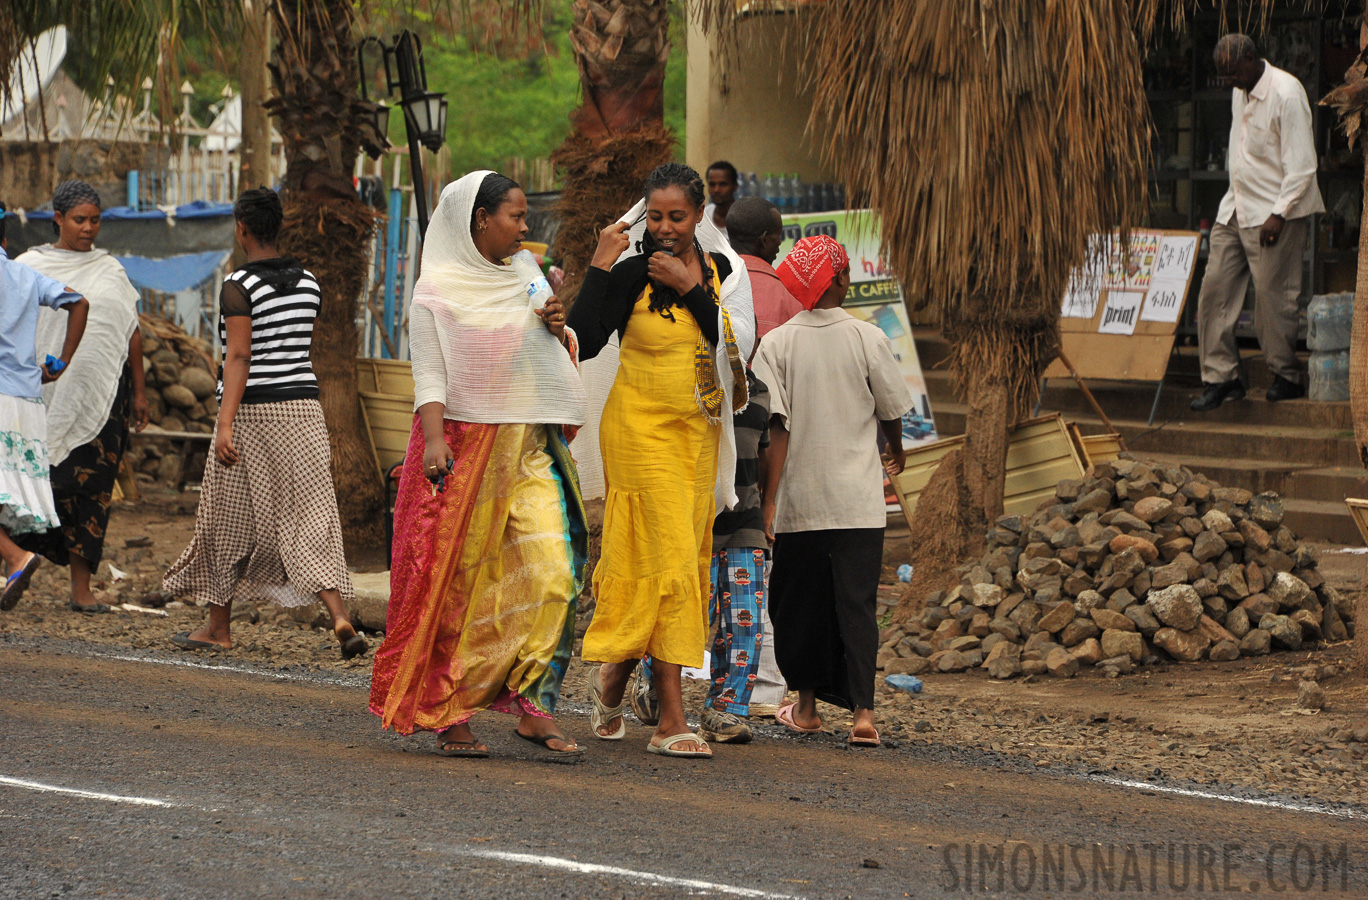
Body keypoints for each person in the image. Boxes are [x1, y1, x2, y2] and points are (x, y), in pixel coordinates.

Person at [369, 171, 590, 760]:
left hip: (529, 448)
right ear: (479, 219)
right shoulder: (437, 289)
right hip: (463, 451)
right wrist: (436, 440)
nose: (525, 226)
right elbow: (432, 372)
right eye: (515, 216)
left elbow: (543, 353)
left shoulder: (525, 274)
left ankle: (533, 700)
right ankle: (448, 710)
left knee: (554, 573)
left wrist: (556, 327)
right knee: (457, 585)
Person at [568, 162, 754, 759]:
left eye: (677, 216)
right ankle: (672, 719)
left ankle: (612, 679)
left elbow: (738, 343)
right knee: (669, 555)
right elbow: (583, 337)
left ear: (700, 216)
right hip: (638, 431)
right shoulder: (628, 273)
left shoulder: (724, 270)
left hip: (696, 438)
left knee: (678, 559)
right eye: (655, 216)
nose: (666, 227)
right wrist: (600, 262)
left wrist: (688, 286)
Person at [163, 188, 365, 659]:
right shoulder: (311, 284)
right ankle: (339, 616)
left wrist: (226, 424)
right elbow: (296, 349)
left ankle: (218, 628)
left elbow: (239, 356)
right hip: (304, 410)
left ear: (242, 229)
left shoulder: (239, 286)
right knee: (311, 514)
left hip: (254, 410)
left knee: (224, 514)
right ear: (280, 227)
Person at [753, 235, 912, 748]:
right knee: (856, 606)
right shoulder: (868, 339)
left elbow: (776, 430)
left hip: (802, 504)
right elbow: (890, 409)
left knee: (799, 605)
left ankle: (805, 707)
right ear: (841, 279)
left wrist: (770, 499)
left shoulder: (776, 345)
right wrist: (895, 449)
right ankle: (863, 717)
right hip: (858, 504)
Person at [16, 180, 149, 613]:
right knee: (24, 482)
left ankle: (81, 590)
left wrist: (141, 393)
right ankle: (15, 566)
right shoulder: (28, 265)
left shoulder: (110, 270)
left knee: (91, 492)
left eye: (95, 220)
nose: (88, 228)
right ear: (57, 219)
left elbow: (130, 333)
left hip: (101, 399)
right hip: (38, 396)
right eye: (79, 220)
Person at [1191, 34, 1323, 412]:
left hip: (1275, 213)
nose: (1229, 80)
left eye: (1233, 72)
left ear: (1251, 58)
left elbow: (1302, 167)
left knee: (1273, 298)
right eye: (1223, 74)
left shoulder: (1286, 93)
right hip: (1235, 209)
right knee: (1214, 291)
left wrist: (1279, 214)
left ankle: (1286, 376)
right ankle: (1222, 378)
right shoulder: (1240, 89)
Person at [0, 203, 89, 611]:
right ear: (5, 239)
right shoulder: (23, 274)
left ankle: (16, 558)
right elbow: (78, 302)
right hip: (26, 400)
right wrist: (60, 362)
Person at [727, 196, 803, 340]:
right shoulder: (790, 295)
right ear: (765, 240)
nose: (780, 242)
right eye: (778, 235)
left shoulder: (710, 282)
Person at [704, 161, 739, 240]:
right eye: (712, 184)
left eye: (723, 184)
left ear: (735, 186)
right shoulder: (704, 215)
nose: (716, 190)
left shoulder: (743, 218)